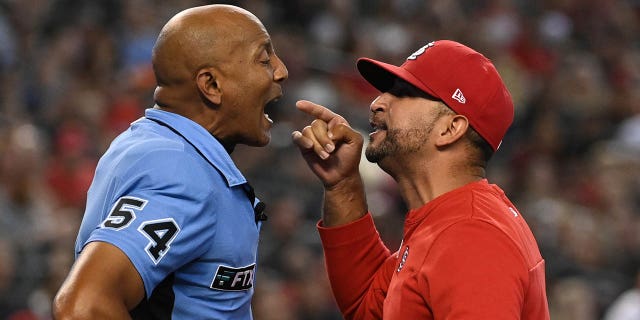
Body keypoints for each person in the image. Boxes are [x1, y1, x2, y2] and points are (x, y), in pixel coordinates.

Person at [53, 4, 287, 319]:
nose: (281, 70)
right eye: (263, 58)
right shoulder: (182, 174)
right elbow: (83, 306)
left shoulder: (148, 143)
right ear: (212, 85)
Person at [292, 40, 550, 319]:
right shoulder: (448, 219)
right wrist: (342, 185)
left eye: (403, 93)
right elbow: (367, 305)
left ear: (450, 128)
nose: (377, 102)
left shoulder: (472, 235)